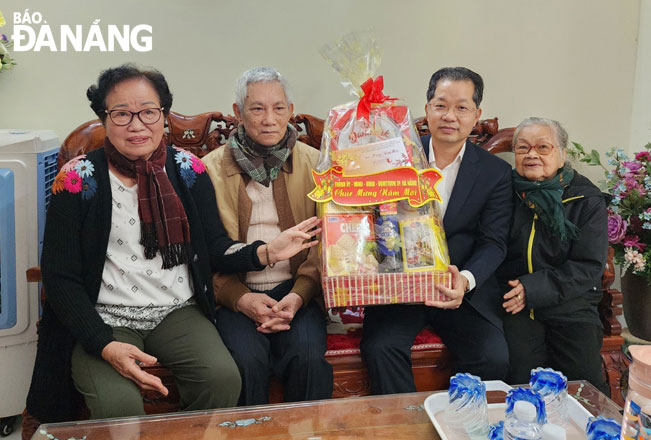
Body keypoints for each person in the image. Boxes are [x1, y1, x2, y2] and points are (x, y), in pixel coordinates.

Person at [24, 64, 321, 423]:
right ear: (104, 118)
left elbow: (213, 246)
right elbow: (60, 278)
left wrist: (266, 252)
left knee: (223, 379)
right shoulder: (77, 180)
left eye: (148, 112)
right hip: (105, 318)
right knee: (119, 409)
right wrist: (103, 343)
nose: (136, 125)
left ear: (163, 116)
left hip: (176, 312)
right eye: (121, 114)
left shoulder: (188, 171)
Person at [360, 67, 513, 394]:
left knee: (492, 357)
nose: (450, 116)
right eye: (441, 105)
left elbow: (494, 243)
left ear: (476, 115)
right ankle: (404, 427)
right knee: (380, 348)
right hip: (399, 287)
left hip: (458, 289)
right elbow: (368, 224)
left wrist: (465, 280)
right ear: (427, 109)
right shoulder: (394, 160)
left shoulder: (495, 173)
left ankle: (459, 424)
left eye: (462, 107)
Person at [202, 67, 333, 405]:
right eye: (257, 108)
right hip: (235, 294)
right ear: (238, 113)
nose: (269, 119)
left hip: (297, 291)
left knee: (306, 356)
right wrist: (241, 299)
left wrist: (301, 295)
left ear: (291, 110)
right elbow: (203, 251)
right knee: (246, 362)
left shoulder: (317, 165)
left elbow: (328, 244)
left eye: (278, 108)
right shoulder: (208, 171)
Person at [500, 117, 608, 392]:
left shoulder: (586, 198)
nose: (531, 154)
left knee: (584, 385)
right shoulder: (502, 193)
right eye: (523, 148)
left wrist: (533, 288)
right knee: (520, 379)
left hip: (572, 303)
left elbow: (589, 266)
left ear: (562, 155)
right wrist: (518, 292)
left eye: (543, 147)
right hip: (515, 304)